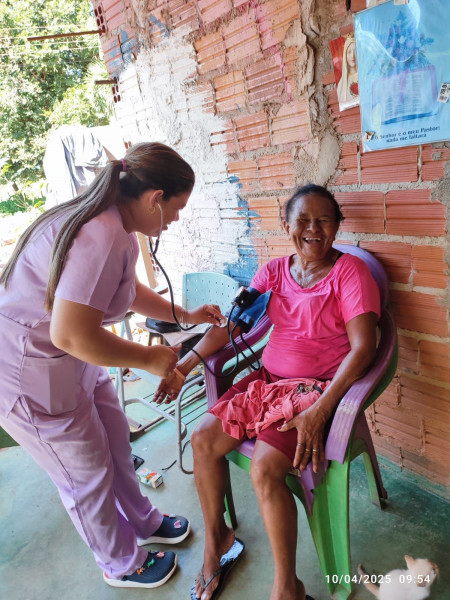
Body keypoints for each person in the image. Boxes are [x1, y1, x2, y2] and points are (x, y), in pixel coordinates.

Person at [0, 142, 226, 589]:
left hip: (72, 361)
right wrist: (148, 357)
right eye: (176, 209)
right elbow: (71, 333)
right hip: (30, 373)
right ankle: (120, 562)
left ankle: (142, 520)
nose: (175, 220)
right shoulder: (98, 233)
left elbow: (127, 290)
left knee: (116, 440)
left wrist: (184, 314)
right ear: (155, 198)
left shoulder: (117, 224)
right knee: (85, 472)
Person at [154, 184, 381, 600]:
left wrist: (321, 409)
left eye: (324, 220)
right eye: (303, 220)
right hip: (267, 383)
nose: (313, 229)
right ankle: (217, 541)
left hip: (314, 391)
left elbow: (365, 347)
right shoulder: (273, 271)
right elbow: (231, 326)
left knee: (264, 468)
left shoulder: (350, 273)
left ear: (337, 227)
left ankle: (287, 588)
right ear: (286, 225)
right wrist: (183, 367)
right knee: (203, 439)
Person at [336, 36, 359, 108]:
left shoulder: (365, 77)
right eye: (349, 52)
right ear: (345, 55)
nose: (352, 56)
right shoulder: (342, 84)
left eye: (355, 52)